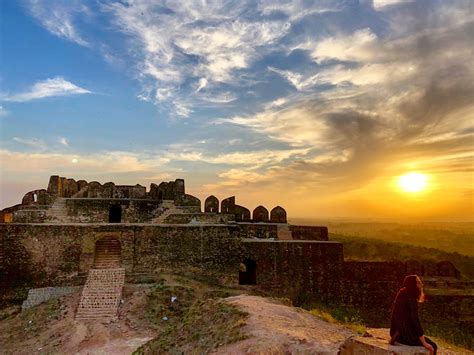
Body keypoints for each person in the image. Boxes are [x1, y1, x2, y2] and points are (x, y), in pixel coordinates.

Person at [390, 274, 437, 355]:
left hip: (396, 333)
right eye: (418, 282)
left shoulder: (402, 293)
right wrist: (424, 342)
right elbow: (415, 321)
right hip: (406, 336)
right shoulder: (411, 298)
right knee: (433, 346)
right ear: (413, 285)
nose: (421, 284)